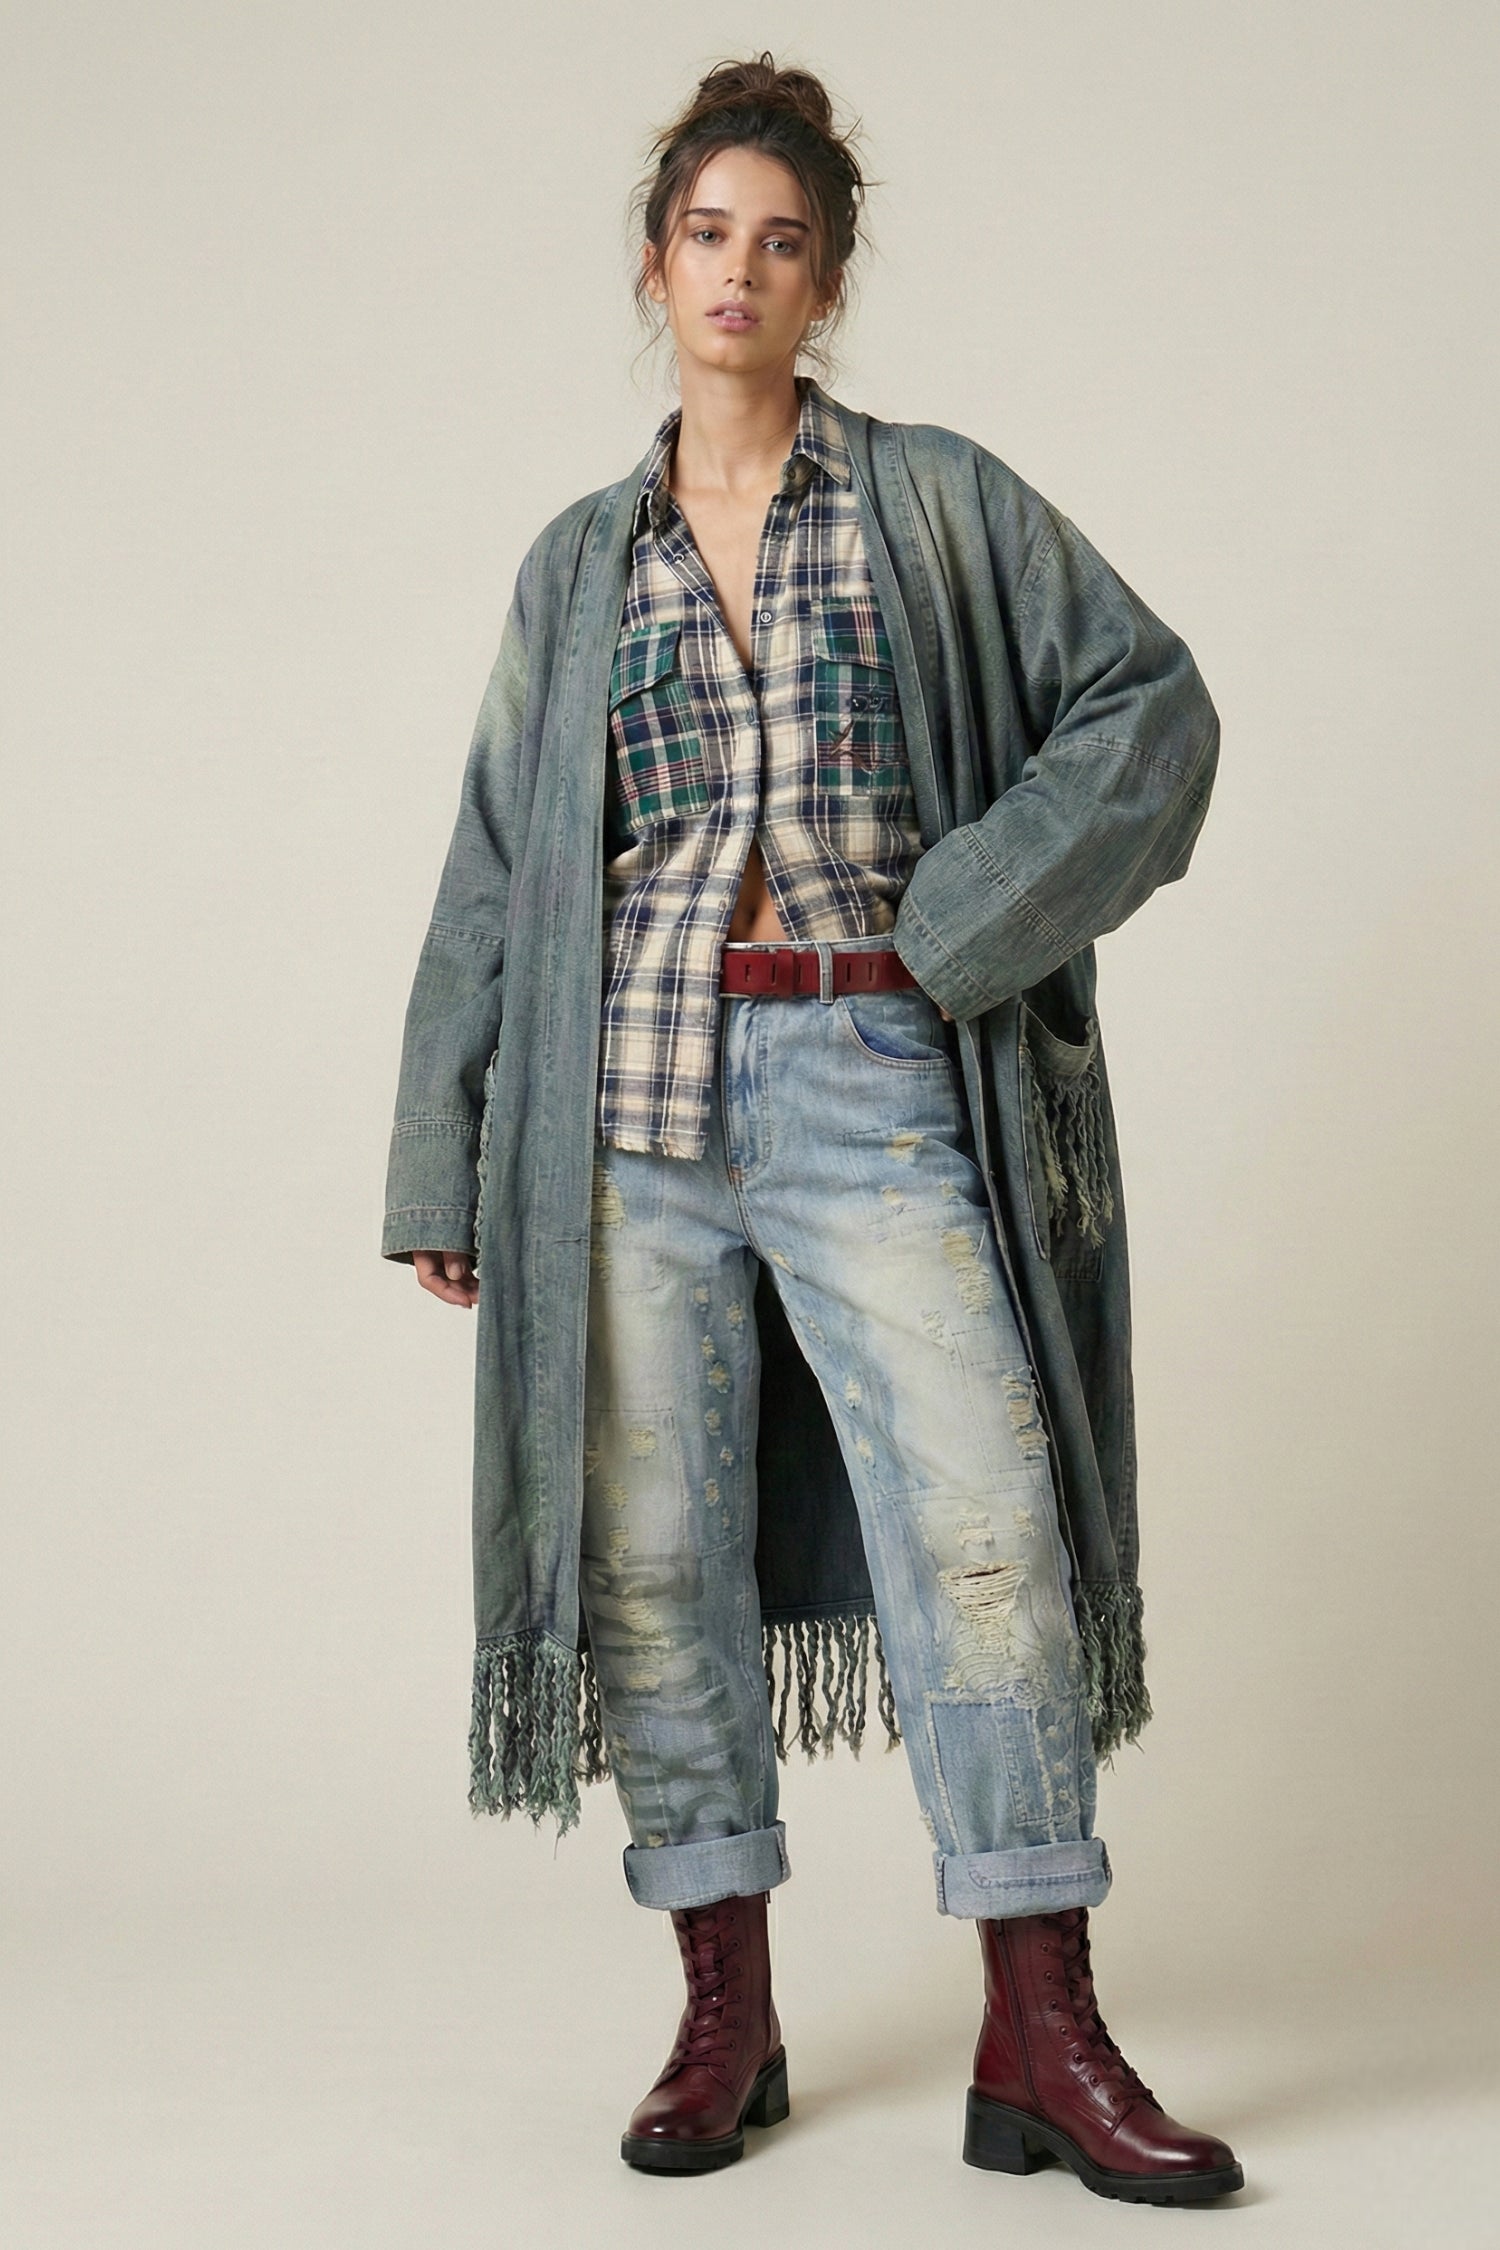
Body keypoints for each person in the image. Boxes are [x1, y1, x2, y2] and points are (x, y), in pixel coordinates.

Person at [382, 50, 1243, 2207]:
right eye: (707, 234)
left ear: (827, 280)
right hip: (628, 1115)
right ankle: (724, 2014)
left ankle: (1040, 2033)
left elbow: (1151, 707)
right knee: (656, 1561)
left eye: (782, 242)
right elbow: (499, 871)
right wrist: (440, 1154)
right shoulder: (578, 566)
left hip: (870, 1069)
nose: (739, 272)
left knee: (986, 1533)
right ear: (654, 262)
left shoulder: (934, 503)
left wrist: (960, 925)